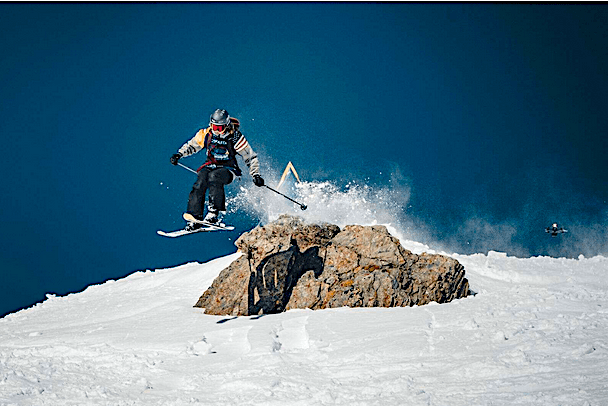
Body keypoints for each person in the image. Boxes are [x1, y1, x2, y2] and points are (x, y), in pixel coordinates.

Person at [170, 109, 265, 230]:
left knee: (214, 177)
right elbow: (192, 145)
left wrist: (255, 175)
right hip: (210, 165)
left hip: (228, 169)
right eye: (214, 127)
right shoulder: (206, 134)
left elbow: (250, 156)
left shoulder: (235, 137)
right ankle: (195, 218)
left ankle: (213, 213)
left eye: (220, 128)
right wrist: (179, 154)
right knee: (200, 181)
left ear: (226, 125)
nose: (216, 131)